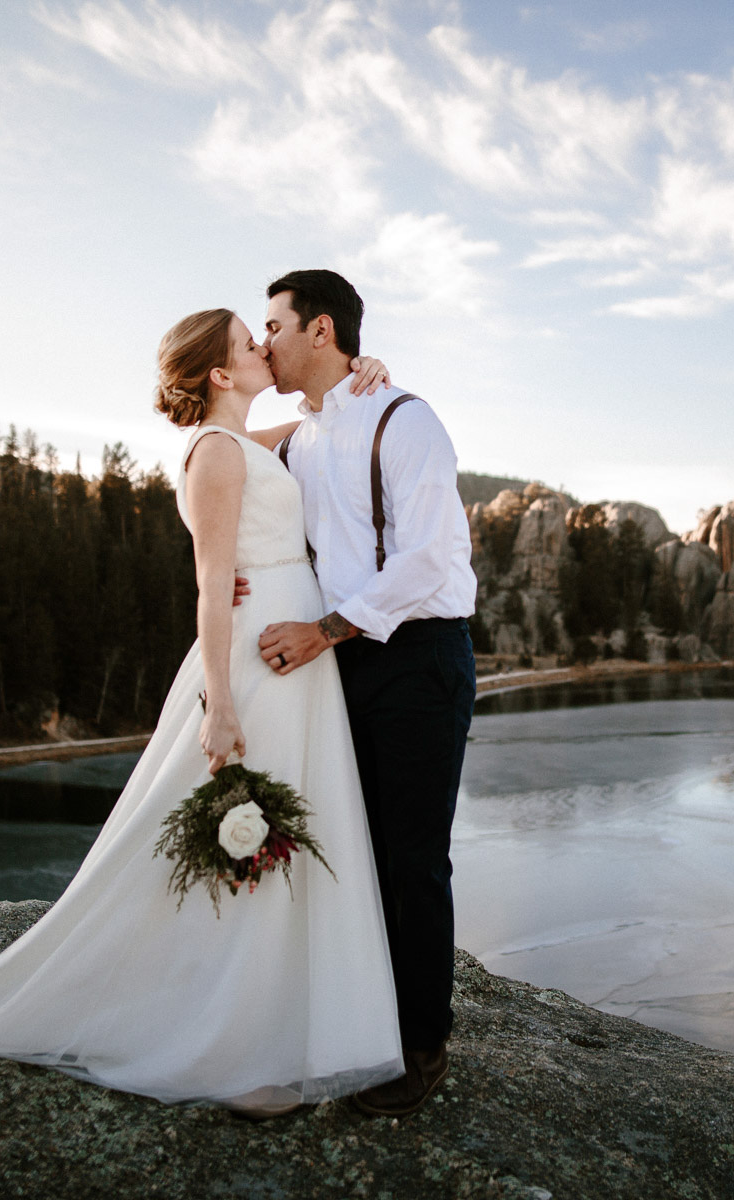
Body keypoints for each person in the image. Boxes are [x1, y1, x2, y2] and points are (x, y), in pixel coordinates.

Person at [0, 310, 405, 1118]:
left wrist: (363, 379)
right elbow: (211, 585)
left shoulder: (241, 445)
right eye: (249, 345)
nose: (265, 348)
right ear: (221, 375)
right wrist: (219, 703)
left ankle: (269, 1026)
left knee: (275, 837)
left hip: (293, 659)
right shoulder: (217, 453)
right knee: (242, 838)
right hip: (257, 665)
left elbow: (316, 429)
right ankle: (233, 1047)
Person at [248, 269, 477, 1118]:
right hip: (336, 661)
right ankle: (352, 1029)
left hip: (418, 658)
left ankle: (419, 1052)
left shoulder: (406, 417)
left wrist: (326, 631)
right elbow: (225, 449)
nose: (263, 340)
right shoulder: (300, 439)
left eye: (274, 325)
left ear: (320, 330)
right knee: (342, 851)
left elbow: (426, 559)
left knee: (411, 861)